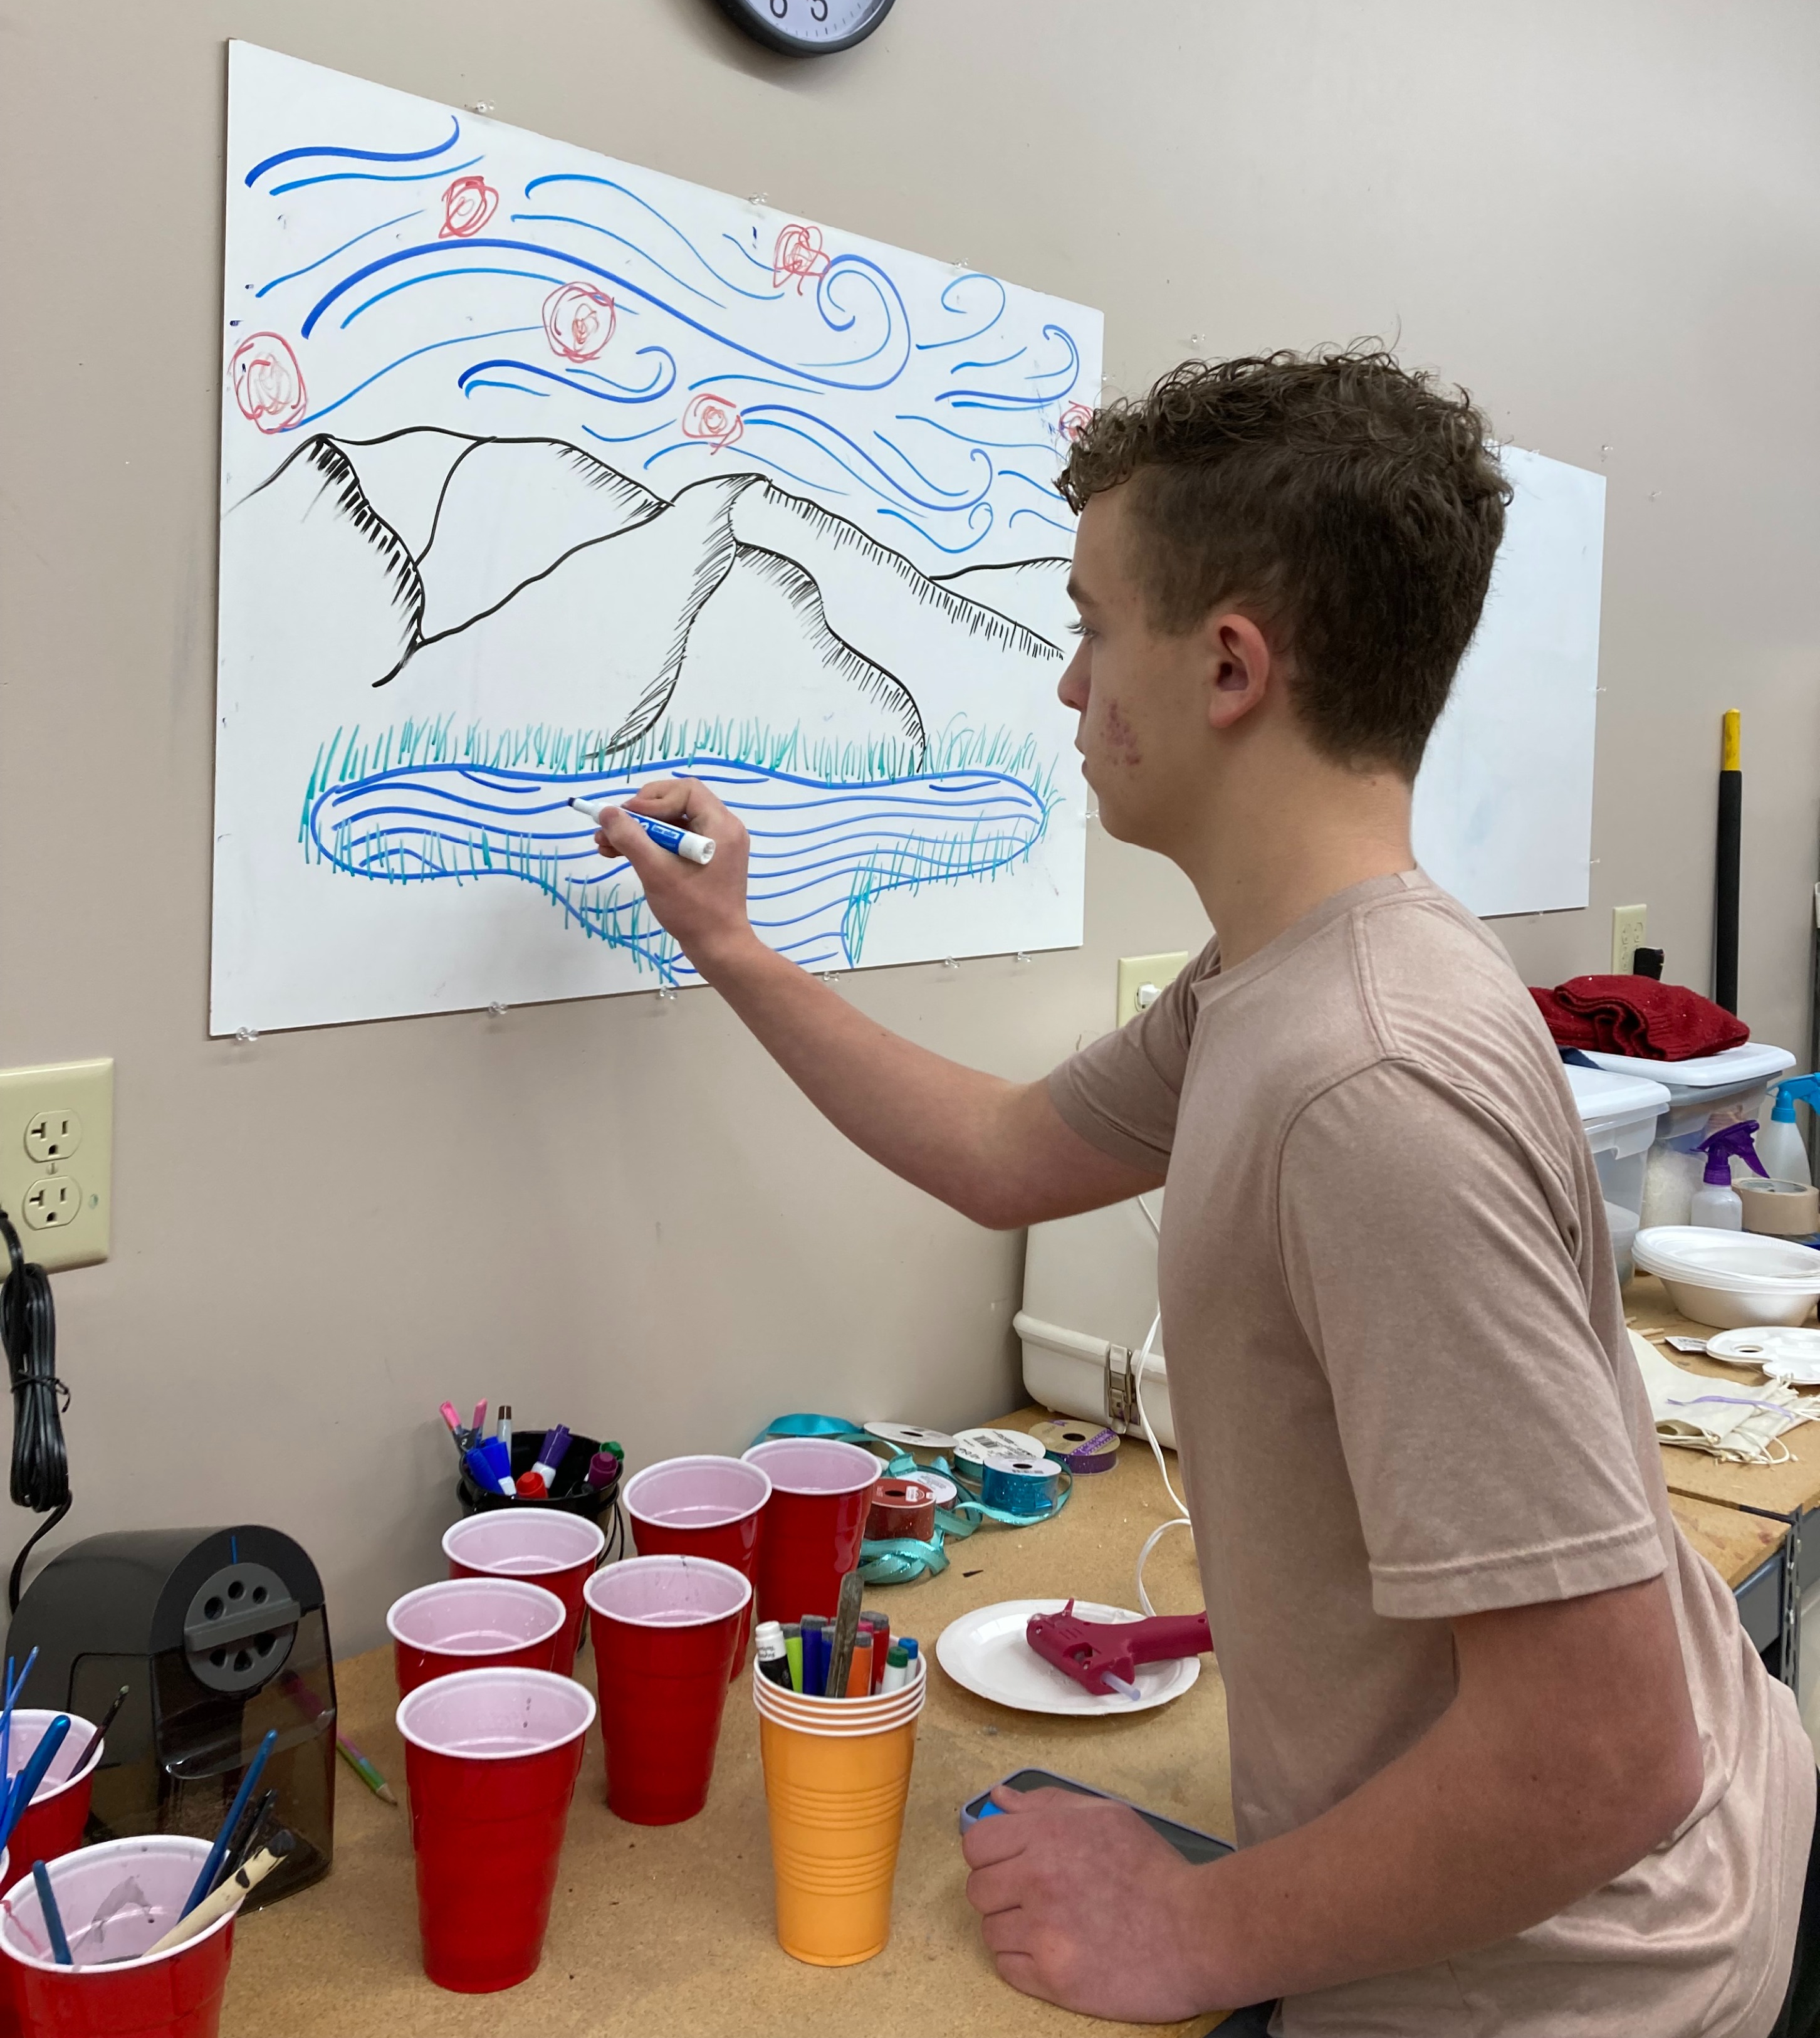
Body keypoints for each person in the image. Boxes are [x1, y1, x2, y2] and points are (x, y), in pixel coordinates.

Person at [594, 347, 1816, 2035]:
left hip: (1574, 1978)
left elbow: (1601, 1762)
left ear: (1230, 665)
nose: (1071, 685)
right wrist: (728, 945)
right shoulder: (1286, 976)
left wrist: (1191, 1933)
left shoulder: (1374, 1083)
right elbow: (1005, 1153)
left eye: (1094, 626)